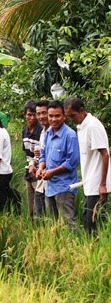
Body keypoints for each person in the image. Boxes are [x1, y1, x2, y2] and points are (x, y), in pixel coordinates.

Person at [65, 97, 110, 234]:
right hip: (90, 183)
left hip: (97, 185)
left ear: (82, 110)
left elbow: (105, 154)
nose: (71, 119)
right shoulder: (81, 126)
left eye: (73, 115)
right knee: (88, 220)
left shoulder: (92, 126)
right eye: (69, 116)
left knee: (91, 223)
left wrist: (102, 184)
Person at [36, 100, 80, 229]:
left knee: (68, 222)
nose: (53, 119)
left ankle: (76, 247)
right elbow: (43, 154)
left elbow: (72, 162)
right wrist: (41, 168)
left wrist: (52, 172)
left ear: (64, 116)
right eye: (51, 116)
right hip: (50, 186)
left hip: (64, 187)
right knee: (53, 223)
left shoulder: (70, 135)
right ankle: (58, 248)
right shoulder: (48, 133)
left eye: (57, 116)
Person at [21, 101, 43, 218]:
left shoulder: (41, 131)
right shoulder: (25, 130)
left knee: (39, 206)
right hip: (29, 170)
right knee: (30, 206)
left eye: (34, 115)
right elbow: (26, 152)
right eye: (29, 115)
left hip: (39, 171)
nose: (32, 118)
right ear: (25, 115)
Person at [32, 100, 50, 218]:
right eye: (38, 114)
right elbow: (42, 155)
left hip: (53, 178)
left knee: (52, 215)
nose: (41, 116)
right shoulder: (43, 132)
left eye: (44, 113)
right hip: (42, 177)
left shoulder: (60, 133)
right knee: (39, 215)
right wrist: (34, 163)